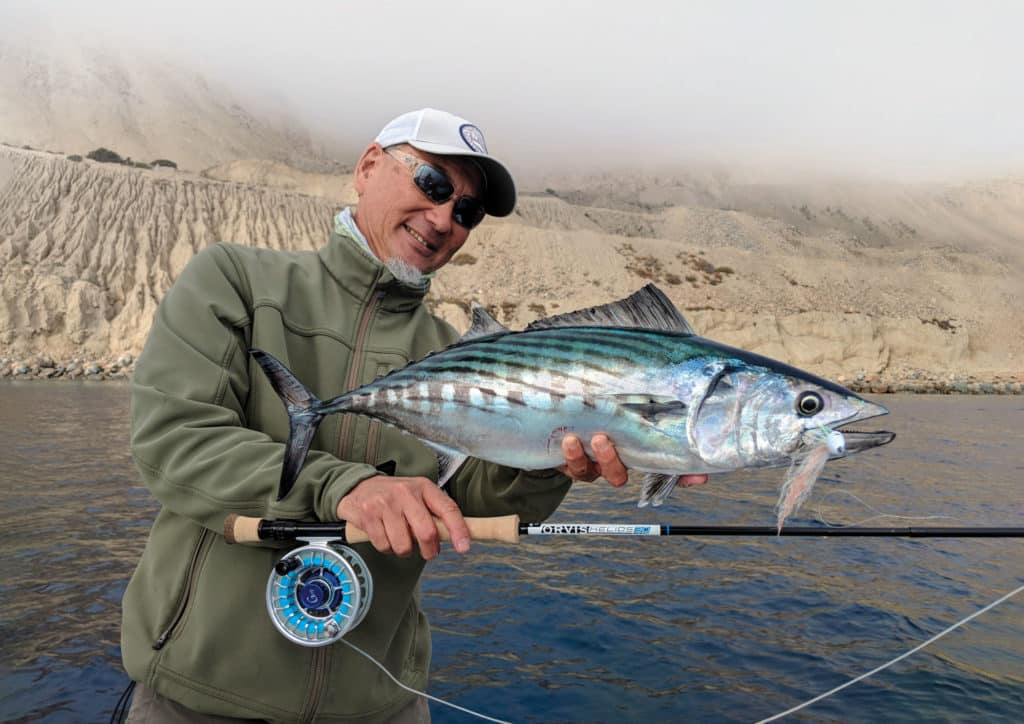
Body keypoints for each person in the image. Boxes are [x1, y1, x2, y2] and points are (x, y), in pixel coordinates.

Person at [120, 108, 707, 723]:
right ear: (368, 166)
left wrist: (547, 457)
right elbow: (175, 439)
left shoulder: (457, 351)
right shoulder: (235, 279)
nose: (444, 219)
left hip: (381, 704)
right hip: (197, 696)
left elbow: (474, 500)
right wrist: (348, 488)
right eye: (432, 184)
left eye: (467, 212)